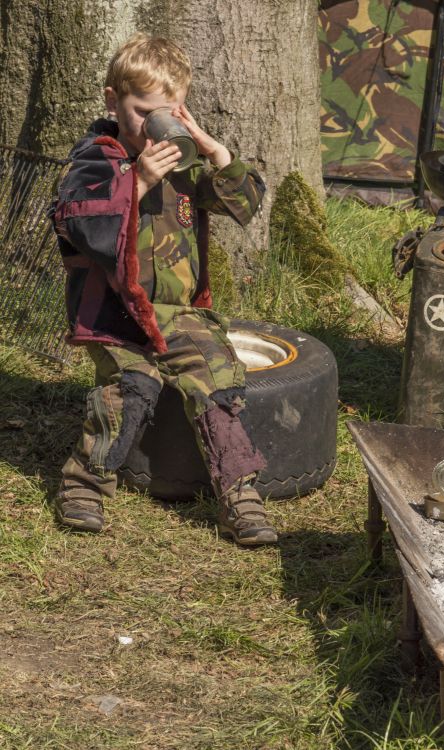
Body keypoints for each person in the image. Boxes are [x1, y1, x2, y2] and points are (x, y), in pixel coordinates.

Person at [50, 33, 277, 546]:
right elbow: (79, 221)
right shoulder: (99, 157)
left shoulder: (181, 158)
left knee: (217, 381)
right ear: (113, 101)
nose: (152, 123)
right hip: (114, 312)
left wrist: (214, 149)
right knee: (132, 386)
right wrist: (139, 183)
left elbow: (242, 205)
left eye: (167, 111)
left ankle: (239, 495)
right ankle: (85, 484)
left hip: (178, 311)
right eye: (142, 111)